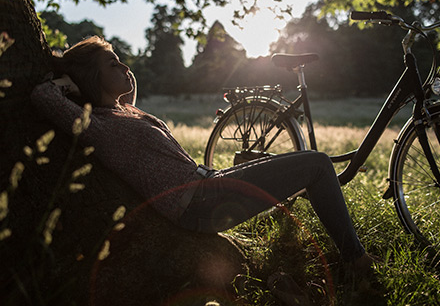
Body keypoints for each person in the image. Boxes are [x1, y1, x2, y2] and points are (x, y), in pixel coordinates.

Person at [31, 36, 374, 300]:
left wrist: (113, 78)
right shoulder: (97, 126)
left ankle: (347, 255)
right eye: (113, 65)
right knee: (317, 163)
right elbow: (42, 96)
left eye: (123, 63)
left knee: (302, 164)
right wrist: (67, 82)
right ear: (91, 76)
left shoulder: (121, 115)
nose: (125, 69)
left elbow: (130, 104)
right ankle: (357, 263)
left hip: (208, 186)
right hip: (200, 203)